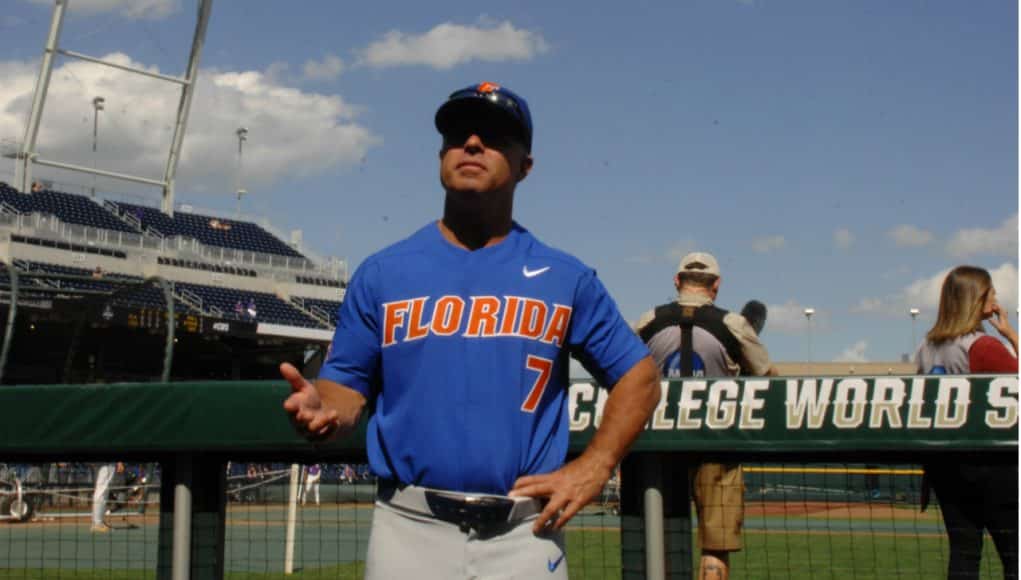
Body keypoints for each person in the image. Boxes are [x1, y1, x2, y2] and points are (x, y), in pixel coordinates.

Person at [281, 81, 659, 579]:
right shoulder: (384, 273)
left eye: (495, 135)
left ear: (525, 166)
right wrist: (323, 407)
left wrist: (595, 466)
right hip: (407, 526)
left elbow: (641, 376)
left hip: (524, 531)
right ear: (441, 156)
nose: (473, 143)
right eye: (458, 134)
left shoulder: (564, 277)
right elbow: (346, 386)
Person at [634, 252, 777, 580]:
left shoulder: (648, 320)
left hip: (658, 446)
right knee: (715, 547)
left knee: (658, 544)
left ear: (677, 282)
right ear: (716, 286)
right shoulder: (733, 324)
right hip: (717, 445)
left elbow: (622, 370)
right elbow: (768, 379)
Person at [914, 265, 1018, 580]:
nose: (997, 298)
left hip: (945, 465)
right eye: (992, 292)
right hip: (994, 466)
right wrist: (1012, 335)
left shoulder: (926, 347)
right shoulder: (983, 346)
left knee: (964, 554)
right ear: (977, 299)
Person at [91, 462, 123, 533]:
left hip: (107, 464)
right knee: (101, 491)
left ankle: (98, 522)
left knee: (103, 491)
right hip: (106, 464)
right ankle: (97, 523)